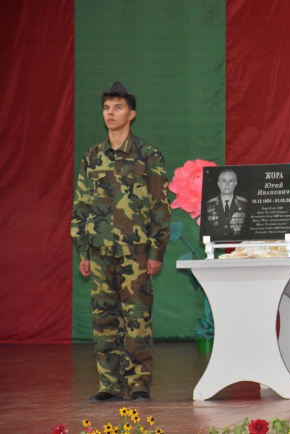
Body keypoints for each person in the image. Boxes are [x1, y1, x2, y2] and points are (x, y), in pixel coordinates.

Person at [71, 81, 171, 402]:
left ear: (132, 114)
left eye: (118, 107)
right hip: (100, 253)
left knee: (137, 320)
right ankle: (110, 385)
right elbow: (82, 206)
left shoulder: (148, 155)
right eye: (106, 108)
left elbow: (160, 206)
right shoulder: (92, 157)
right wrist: (83, 250)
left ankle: (138, 384)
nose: (110, 113)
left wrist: (156, 251)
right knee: (104, 321)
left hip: (136, 253)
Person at [204, 169, 248, 239]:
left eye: (230, 181)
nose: (227, 184)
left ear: (235, 183)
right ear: (219, 184)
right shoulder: (209, 204)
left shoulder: (244, 204)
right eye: (224, 181)